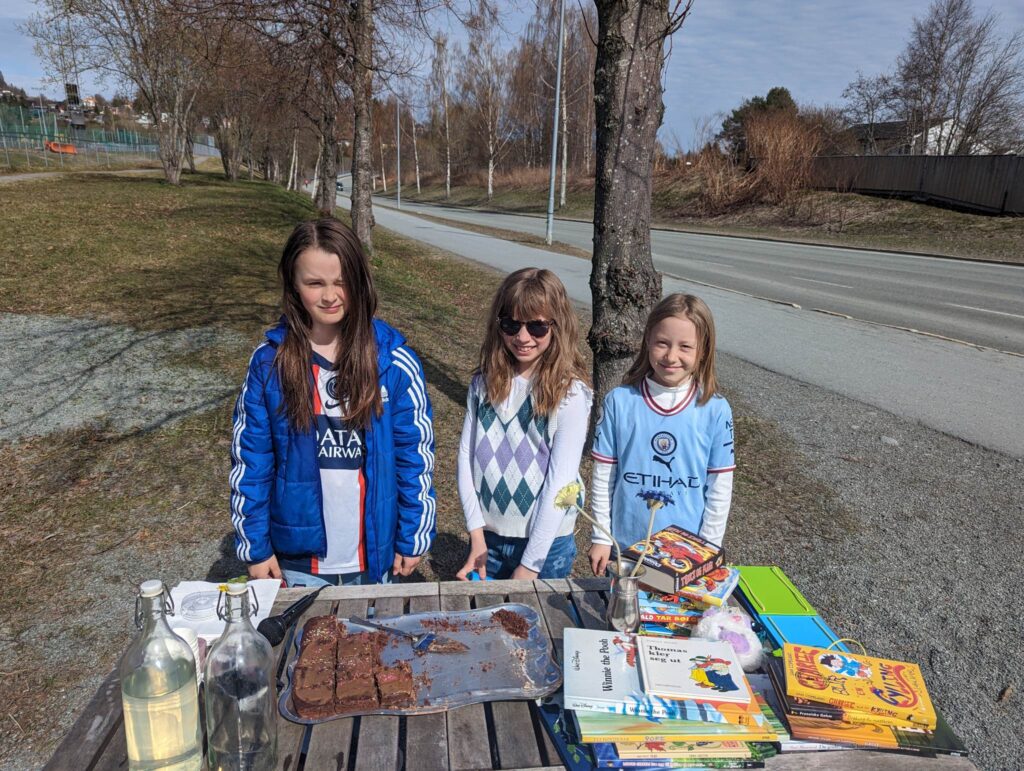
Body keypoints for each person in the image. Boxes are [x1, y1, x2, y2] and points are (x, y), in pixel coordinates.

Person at [230, 217, 436, 587]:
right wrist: (255, 548)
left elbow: (414, 456)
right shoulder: (269, 364)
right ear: (293, 286)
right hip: (299, 565)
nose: (330, 296)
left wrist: (414, 533)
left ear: (360, 281)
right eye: (314, 283)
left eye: (341, 282)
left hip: (374, 559)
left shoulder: (393, 362)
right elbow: (251, 462)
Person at [456, 268, 592, 580]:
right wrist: (476, 534)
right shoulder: (482, 383)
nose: (523, 337)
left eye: (537, 326)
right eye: (511, 324)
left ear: (557, 326)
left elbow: (560, 481)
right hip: (488, 539)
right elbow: (465, 457)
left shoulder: (571, 394)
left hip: (546, 546)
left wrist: (530, 565)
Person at [589, 293, 734, 576]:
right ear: (647, 342)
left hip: (686, 555)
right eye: (662, 343)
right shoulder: (619, 401)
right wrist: (601, 536)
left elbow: (719, 487)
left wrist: (709, 549)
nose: (671, 356)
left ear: (703, 350)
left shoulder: (715, 409)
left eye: (685, 347)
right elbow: (604, 475)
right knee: (619, 617)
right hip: (625, 549)